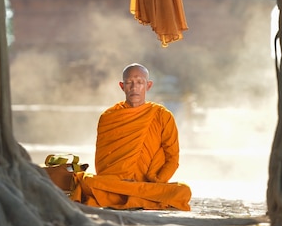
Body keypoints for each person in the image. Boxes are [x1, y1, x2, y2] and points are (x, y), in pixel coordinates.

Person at [70, 63, 192, 210]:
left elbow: (173, 157)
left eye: (140, 82)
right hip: (116, 183)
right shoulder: (109, 117)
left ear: (148, 85)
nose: (134, 87)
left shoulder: (162, 115)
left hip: (148, 184)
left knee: (183, 191)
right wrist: (115, 179)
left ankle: (131, 194)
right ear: (122, 86)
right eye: (129, 83)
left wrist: (157, 181)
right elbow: (102, 160)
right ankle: (135, 196)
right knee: (88, 182)